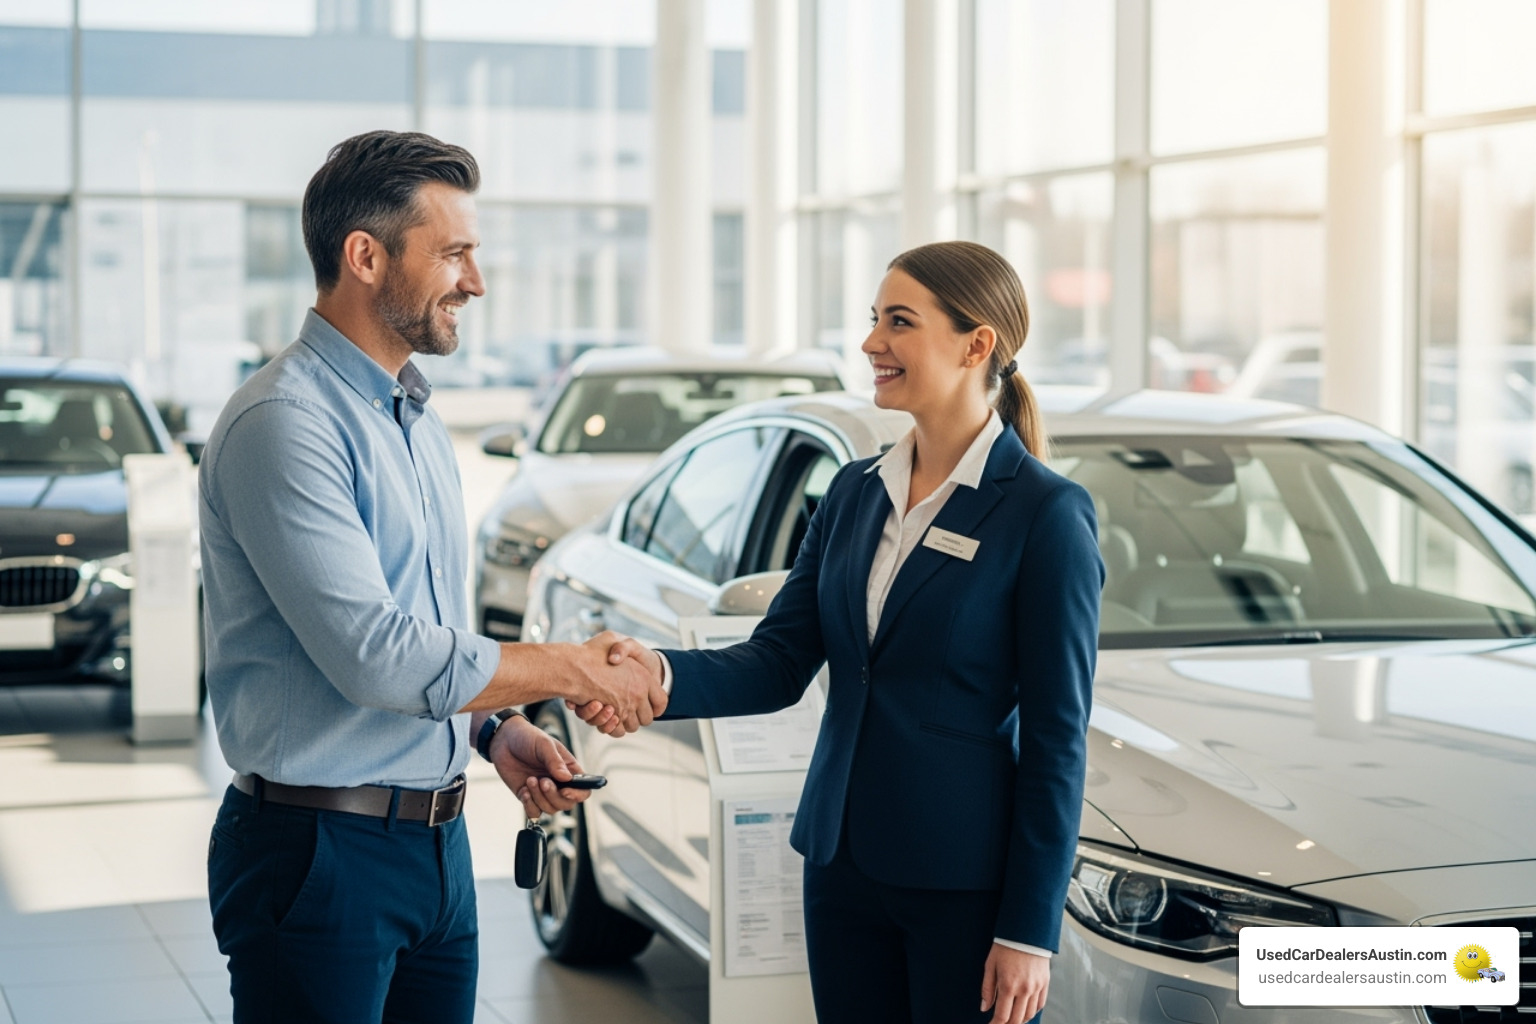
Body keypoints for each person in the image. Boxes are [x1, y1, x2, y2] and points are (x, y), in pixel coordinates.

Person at [198, 130, 663, 1024]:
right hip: (320, 853)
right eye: (453, 254)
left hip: (438, 848)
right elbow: (376, 655)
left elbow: (427, 629)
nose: (475, 282)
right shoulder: (284, 422)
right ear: (366, 257)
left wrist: (493, 730)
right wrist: (574, 669)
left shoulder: (412, 415)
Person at [597, 241, 1103, 1024]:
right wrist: (654, 675)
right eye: (875, 320)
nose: (871, 343)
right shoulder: (854, 492)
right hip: (841, 866)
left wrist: (1029, 930)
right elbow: (778, 659)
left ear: (976, 344)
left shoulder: (1046, 514)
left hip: (964, 884)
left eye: (899, 322)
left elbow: (1056, 739)